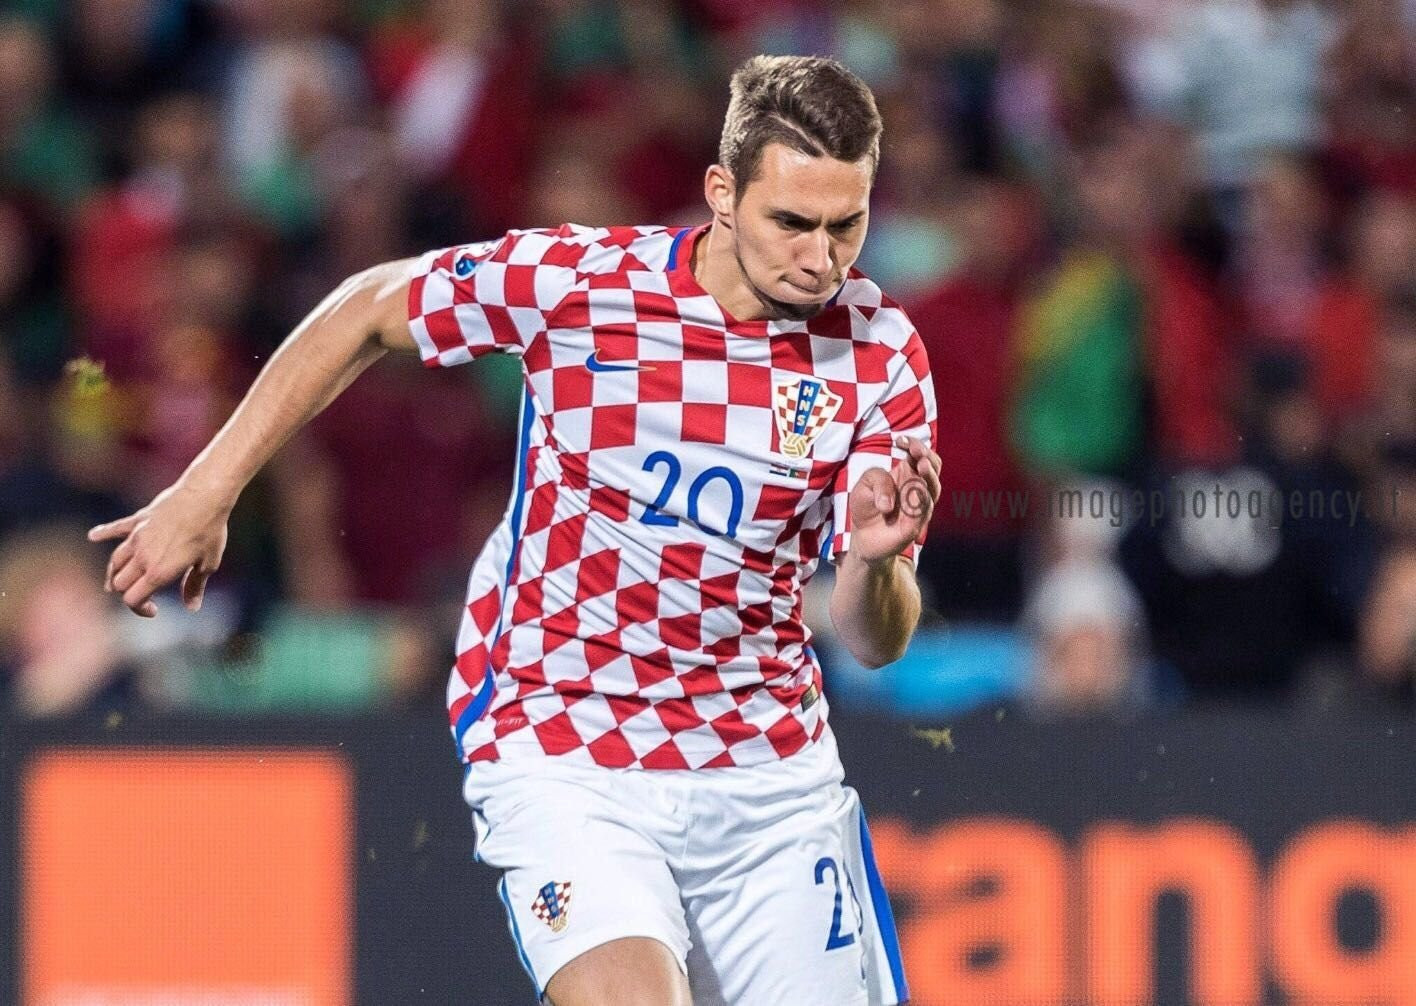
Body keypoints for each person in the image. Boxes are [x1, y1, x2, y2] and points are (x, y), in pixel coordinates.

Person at [89, 55, 939, 1006]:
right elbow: (368, 310)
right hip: (564, 739)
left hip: (766, 779)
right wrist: (207, 490)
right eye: (792, 223)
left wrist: (874, 565)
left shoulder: (880, 355)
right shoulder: (582, 286)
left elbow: (874, 641)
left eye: (846, 225)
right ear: (722, 195)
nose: (822, 260)